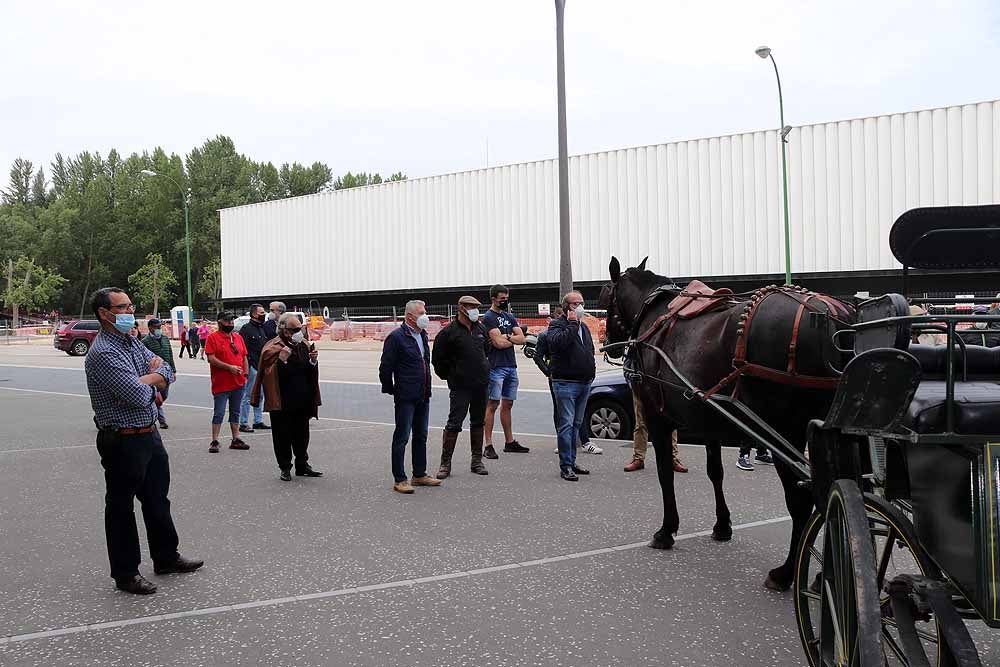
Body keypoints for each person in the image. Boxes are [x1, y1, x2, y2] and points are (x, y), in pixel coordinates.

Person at [84, 287, 202, 595]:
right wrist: (152, 381)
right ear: (104, 314)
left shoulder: (131, 342)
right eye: (122, 308)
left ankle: (166, 556)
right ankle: (126, 573)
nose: (129, 312)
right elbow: (137, 396)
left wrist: (151, 377)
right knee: (121, 507)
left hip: (148, 434)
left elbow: (165, 369)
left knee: (157, 499)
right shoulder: (104, 352)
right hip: (121, 440)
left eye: (130, 306)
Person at [379, 300, 441, 494]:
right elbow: (385, 367)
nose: (425, 316)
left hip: (423, 394)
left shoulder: (422, 335)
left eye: (425, 311)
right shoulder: (396, 337)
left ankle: (419, 474)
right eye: (421, 313)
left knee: (421, 435)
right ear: (409, 316)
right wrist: (391, 389)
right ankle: (400, 478)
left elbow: (425, 363)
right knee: (402, 436)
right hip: (406, 395)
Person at [251, 313, 323, 481]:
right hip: (281, 400)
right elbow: (266, 374)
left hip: (302, 399)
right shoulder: (272, 347)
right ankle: (285, 467)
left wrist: (313, 362)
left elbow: (308, 371)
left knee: (302, 434)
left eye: (300, 329)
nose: (299, 332)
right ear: (284, 330)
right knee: (282, 435)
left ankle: (302, 464)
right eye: (295, 329)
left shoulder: (304, 345)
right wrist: (281, 361)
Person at [431, 295, 491, 478]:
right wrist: (451, 376)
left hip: (481, 384)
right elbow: (438, 359)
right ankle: (445, 463)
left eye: (476, 307)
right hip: (460, 386)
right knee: (454, 422)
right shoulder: (449, 332)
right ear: (461, 308)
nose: (475, 310)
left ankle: (477, 460)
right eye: (471, 307)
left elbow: (486, 350)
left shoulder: (481, 328)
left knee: (478, 421)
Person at [535, 309, 604, 455]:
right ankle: (564, 445)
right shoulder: (546, 335)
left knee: (580, 412)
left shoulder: (580, 329)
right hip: (559, 378)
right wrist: (548, 372)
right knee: (561, 413)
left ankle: (584, 442)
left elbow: (588, 350)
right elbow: (538, 356)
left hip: (578, 377)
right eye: (559, 317)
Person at [546, 292, 597, 481]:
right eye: (576, 304)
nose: (580, 307)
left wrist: (591, 370)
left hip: (584, 382)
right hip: (566, 383)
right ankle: (565, 466)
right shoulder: (557, 325)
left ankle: (572, 462)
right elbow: (559, 344)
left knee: (576, 424)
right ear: (567, 307)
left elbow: (589, 350)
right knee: (566, 425)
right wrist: (573, 323)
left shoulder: (583, 326)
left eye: (582, 303)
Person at [482, 284, 529, 458]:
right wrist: (511, 338)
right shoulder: (488, 317)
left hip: (511, 365)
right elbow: (497, 344)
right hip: (495, 367)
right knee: (492, 404)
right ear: (493, 299)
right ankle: (488, 445)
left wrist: (507, 336)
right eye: (502, 299)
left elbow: (522, 338)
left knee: (508, 404)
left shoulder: (509, 316)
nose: (505, 301)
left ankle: (509, 442)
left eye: (506, 298)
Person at [204, 312, 249, 453]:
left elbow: (244, 357)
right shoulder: (212, 338)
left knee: (236, 411)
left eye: (231, 321)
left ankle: (236, 438)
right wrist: (229, 367)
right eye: (227, 321)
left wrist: (245, 373)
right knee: (219, 412)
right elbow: (211, 358)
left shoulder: (238, 337)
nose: (230, 323)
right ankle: (215, 440)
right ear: (220, 322)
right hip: (221, 383)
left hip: (238, 382)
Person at [624, 383, 687, 473]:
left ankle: (673, 458)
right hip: (640, 384)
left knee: (670, 421)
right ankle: (638, 458)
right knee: (640, 423)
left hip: (663, 384)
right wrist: (631, 381)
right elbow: (627, 369)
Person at [238, 304, 271, 434]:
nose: (264, 314)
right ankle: (243, 422)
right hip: (252, 366)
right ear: (254, 314)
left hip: (262, 366)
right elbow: (242, 350)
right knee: (248, 395)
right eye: (262, 312)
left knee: (261, 394)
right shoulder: (246, 329)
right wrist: (247, 366)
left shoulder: (262, 328)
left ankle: (258, 421)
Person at [141, 318, 175, 430]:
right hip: (154, 374)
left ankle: (154, 410)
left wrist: (173, 370)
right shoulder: (145, 342)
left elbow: (170, 355)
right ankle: (162, 420)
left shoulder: (165, 339)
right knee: (156, 397)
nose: (158, 329)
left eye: (159, 327)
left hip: (167, 372)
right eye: (156, 327)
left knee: (164, 396)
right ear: (150, 328)